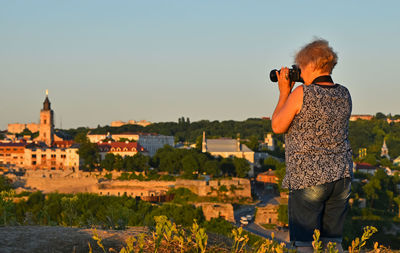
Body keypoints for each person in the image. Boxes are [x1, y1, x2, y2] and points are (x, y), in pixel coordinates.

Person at [271, 39, 352, 253]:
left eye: (300, 66)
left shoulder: (303, 93)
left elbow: (278, 126)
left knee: (305, 243)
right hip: (341, 176)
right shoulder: (344, 93)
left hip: (309, 177)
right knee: (333, 242)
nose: (298, 71)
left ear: (311, 66)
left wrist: (284, 92)